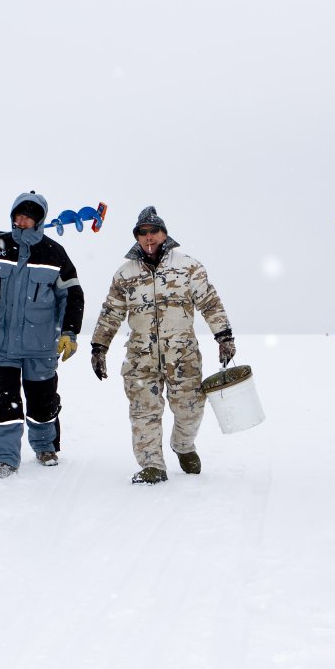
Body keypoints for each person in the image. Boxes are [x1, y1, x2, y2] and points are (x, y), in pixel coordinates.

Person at [90, 206, 236, 485]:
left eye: (153, 231)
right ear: (137, 238)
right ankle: (152, 465)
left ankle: (182, 445)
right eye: (142, 233)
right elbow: (111, 312)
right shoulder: (125, 274)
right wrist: (99, 347)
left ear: (164, 234)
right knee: (143, 410)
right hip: (140, 357)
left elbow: (210, 302)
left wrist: (224, 336)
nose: (148, 238)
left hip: (183, 355)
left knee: (190, 408)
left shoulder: (188, 266)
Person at [0, 191, 84, 478]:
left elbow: (71, 294)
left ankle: (45, 446)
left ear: (39, 220)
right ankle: (5, 459)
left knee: (42, 401)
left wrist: (69, 331)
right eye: (19, 214)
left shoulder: (54, 253)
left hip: (41, 344)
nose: (22, 220)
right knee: (2, 401)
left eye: (29, 215)